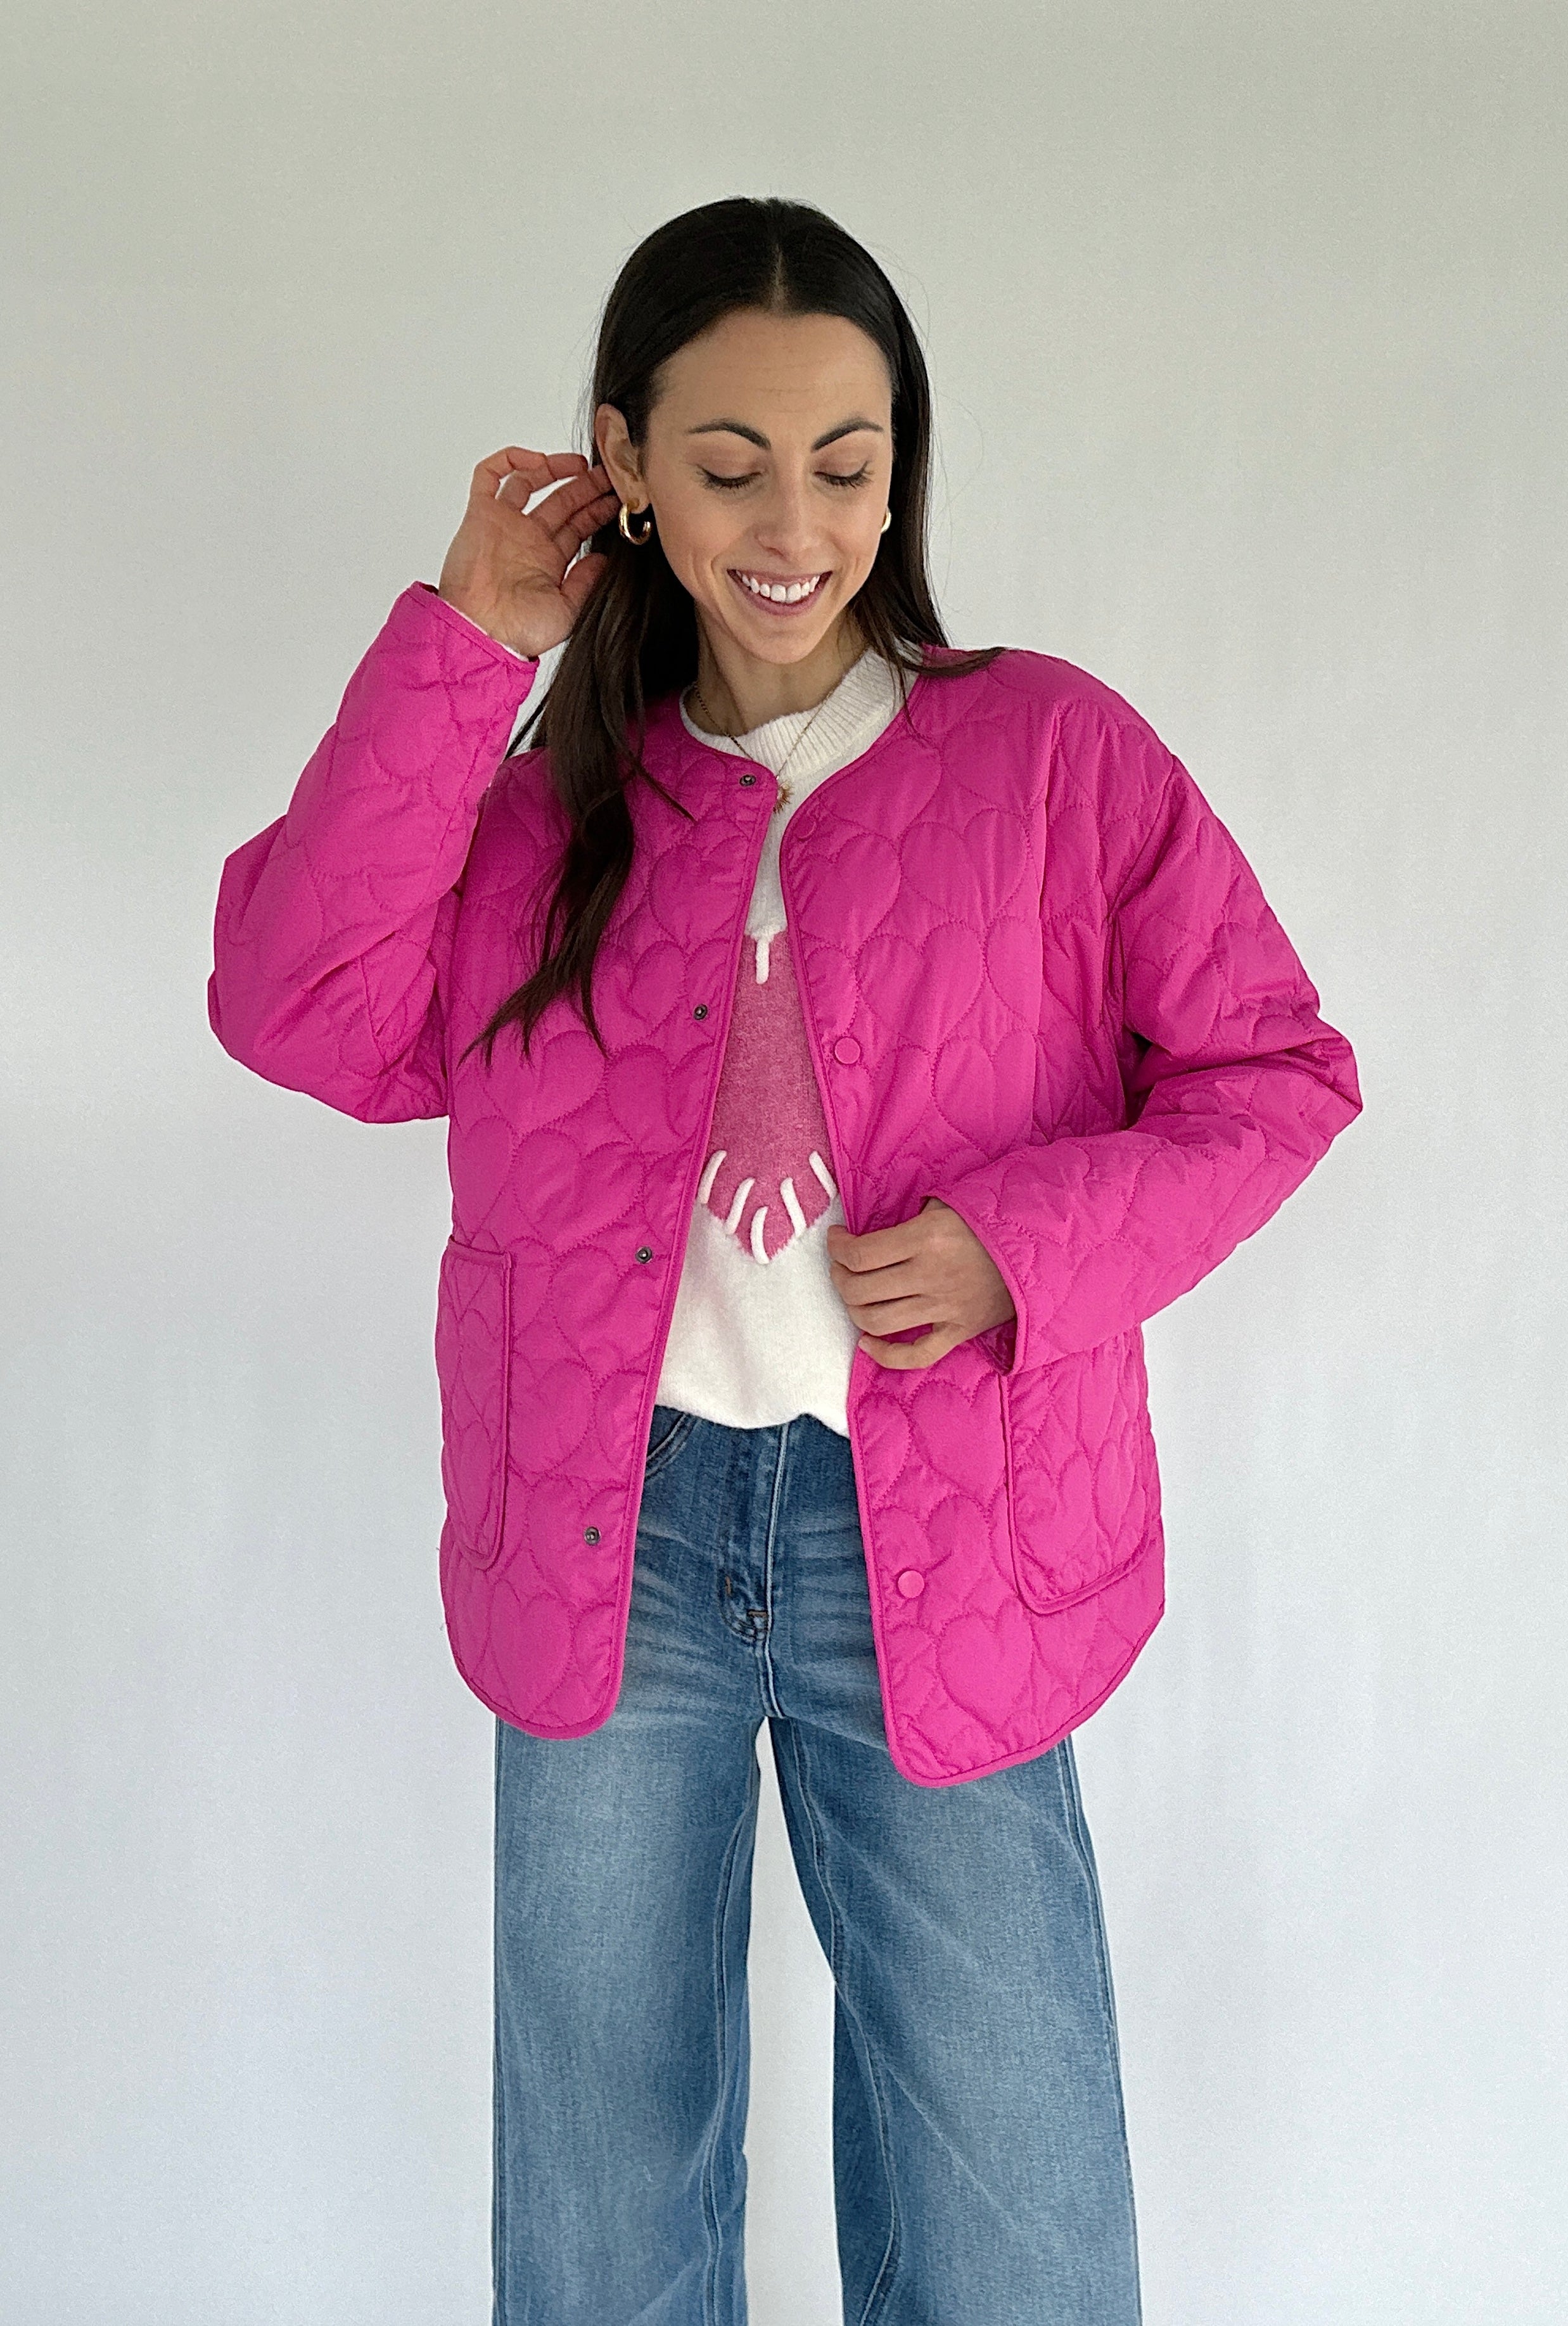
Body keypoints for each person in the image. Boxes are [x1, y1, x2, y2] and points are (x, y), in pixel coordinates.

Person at [207, 195, 1361, 2326]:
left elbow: (1272, 1070)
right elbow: (294, 1005)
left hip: (942, 1529)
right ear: (622, 463)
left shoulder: (1046, 755)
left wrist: (1023, 1247)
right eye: (728, 461)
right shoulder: (546, 805)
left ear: (902, 468)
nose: (791, 520)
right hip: (606, 1532)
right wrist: (466, 647)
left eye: (847, 460)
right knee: (601, 2203)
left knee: (1014, 2215)